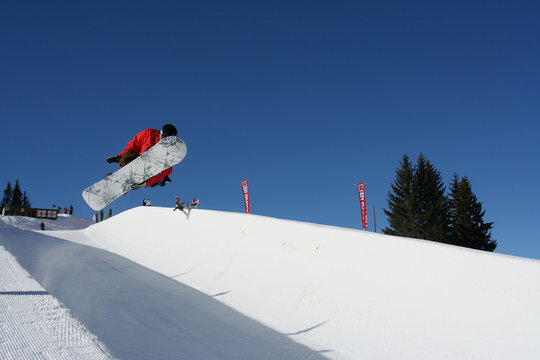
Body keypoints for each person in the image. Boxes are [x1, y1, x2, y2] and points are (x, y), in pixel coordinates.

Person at [106, 124, 178, 189]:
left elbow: (165, 171)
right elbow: (133, 145)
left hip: (150, 173)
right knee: (128, 156)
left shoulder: (169, 152)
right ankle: (119, 180)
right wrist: (120, 156)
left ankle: (132, 182)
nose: (164, 142)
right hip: (139, 163)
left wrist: (146, 183)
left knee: (161, 173)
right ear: (161, 133)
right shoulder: (148, 134)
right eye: (164, 138)